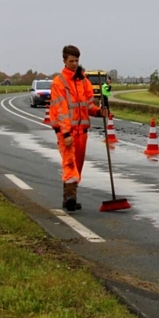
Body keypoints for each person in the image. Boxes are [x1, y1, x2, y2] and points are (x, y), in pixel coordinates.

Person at [50, 45, 107, 211]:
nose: (74, 63)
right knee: (69, 163)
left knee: (78, 166)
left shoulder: (83, 81)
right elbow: (60, 111)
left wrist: (98, 112)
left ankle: (70, 196)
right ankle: (70, 197)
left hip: (82, 132)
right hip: (66, 133)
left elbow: (88, 105)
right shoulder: (59, 82)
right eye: (71, 61)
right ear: (64, 61)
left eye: (76, 60)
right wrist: (66, 133)